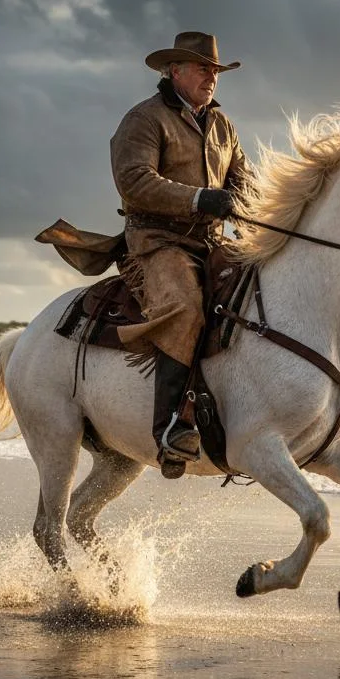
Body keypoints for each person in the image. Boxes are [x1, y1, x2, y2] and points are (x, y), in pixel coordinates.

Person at [110, 31, 255, 478]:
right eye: (203, 69)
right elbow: (133, 180)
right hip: (156, 241)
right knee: (186, 307)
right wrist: (200, 199)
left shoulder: (222, 125)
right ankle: (171, 427)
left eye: (215, 71)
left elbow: (243, 180)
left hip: (210, 240)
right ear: (175, 71)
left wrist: (250, 208)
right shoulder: (145, 119)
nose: (211, 77)